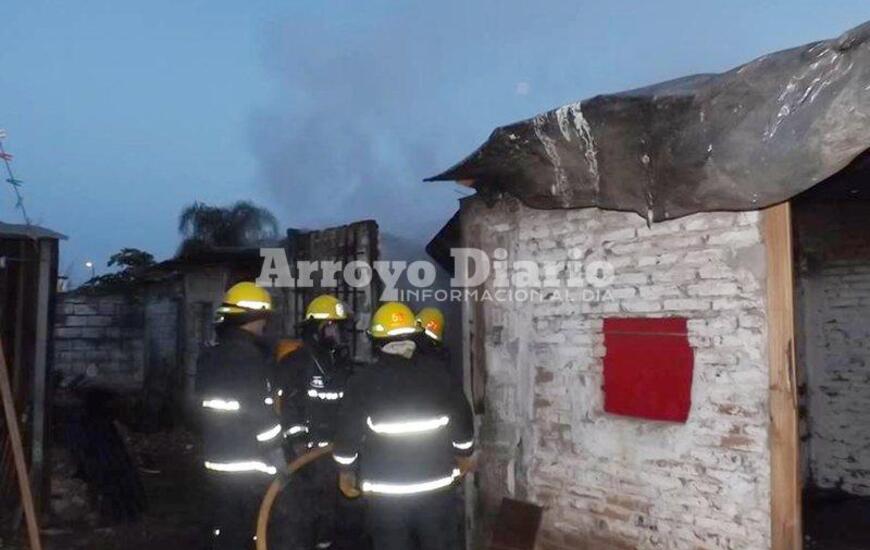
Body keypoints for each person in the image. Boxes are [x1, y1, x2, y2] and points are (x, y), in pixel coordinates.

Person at [333, 302, 475, 550]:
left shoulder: (363, 382)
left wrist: (346, 471)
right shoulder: (439, 375)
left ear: (375, 341)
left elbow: (347, 436)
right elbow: (463, 425)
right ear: (415, 336)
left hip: (387, 497)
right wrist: (463, 455)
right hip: (437, 490)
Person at [195, 281, 283, 550]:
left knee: (225, 526)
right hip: (247, 463)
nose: (265, 326)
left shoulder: (210, 356)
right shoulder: (249, 359)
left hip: (216, 457)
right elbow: (259, 411)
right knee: (250, 530)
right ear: (253, 318)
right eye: (263, 319)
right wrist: (277, 452)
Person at [279, 293, 354, 550]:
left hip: (336, 453)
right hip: (308, 456)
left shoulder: (340, 363)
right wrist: (299, 445)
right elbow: (289, 409)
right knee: (308, 513)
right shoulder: (296, 363)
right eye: (334, 327)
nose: (339, 334)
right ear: (319, 328)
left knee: (336, 513)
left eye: (340, 328)